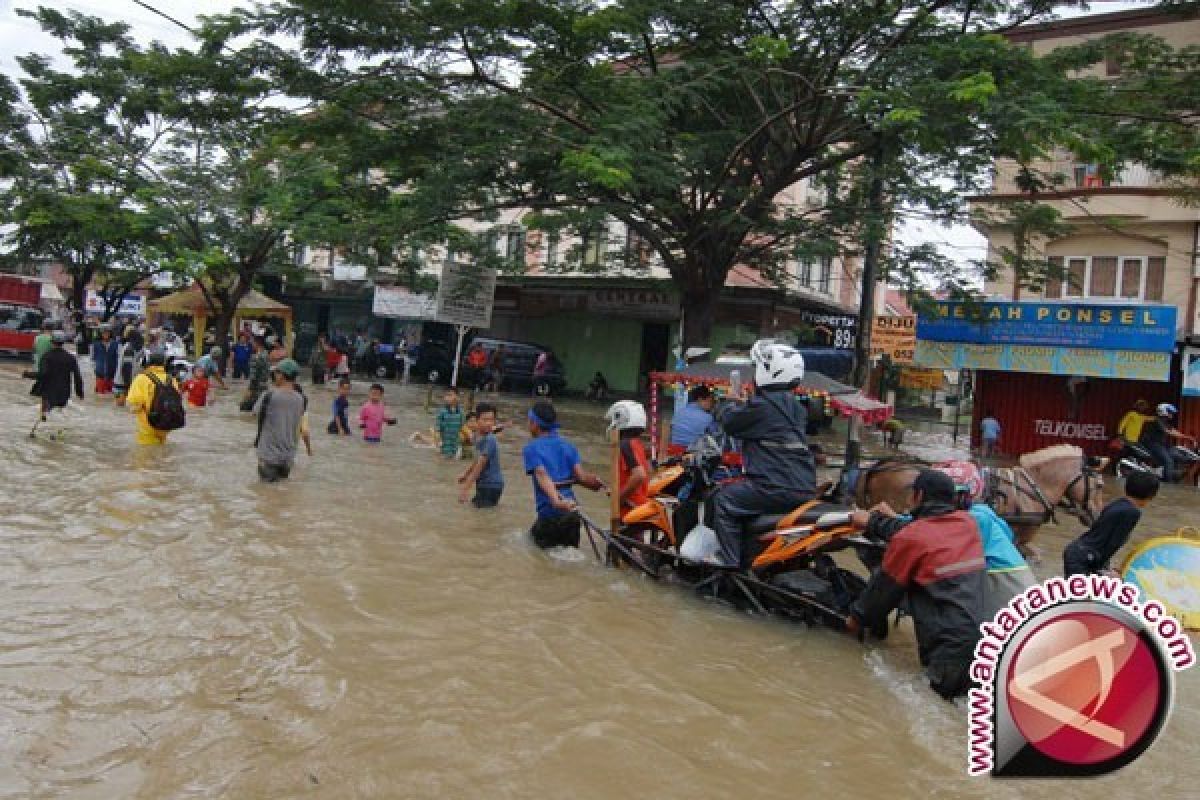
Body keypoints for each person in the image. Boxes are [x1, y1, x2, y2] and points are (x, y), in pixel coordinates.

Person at [847, 470, 986, 700]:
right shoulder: (968, 524)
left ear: (918, 496)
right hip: (982, 644)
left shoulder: (912, 538)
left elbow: (882, 592)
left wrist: (856, 619)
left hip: (946, 649)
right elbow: (918, 533)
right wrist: (875, 522)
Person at [710, 340, 817, 568]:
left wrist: (729, 401)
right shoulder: (796, 408)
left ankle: (729, 564)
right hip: (804, 488)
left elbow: (729, 423)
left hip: (773, 487)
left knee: (723, 500)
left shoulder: (762, 406)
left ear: (769, 371)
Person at [522, 401, 606, 548]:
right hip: (572, 514)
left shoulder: (532, 448)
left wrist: (556, 501)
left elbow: (542, 475)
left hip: (551, 514)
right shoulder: (568, 446)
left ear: (534, 423)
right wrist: (598, 484)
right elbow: (581, 477)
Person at [1063, 470, 1159, 576]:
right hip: (1085, 558)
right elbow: (1114, 543)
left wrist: (1103, 567)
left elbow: (1099, 521)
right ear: (1151, 495)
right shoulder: (1133, 512)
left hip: (1078, 552)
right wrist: (1107, 572)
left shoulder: (1119, 503)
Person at [253, 358, 312, 482]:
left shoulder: (269, 395)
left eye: (276, 373)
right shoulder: (301, 399)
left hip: (268, 455)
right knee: (281, 492)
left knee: (266, 496)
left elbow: (255, 413)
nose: (274, 376)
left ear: (281, 375)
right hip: (288, 457)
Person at [30, 331, 84, 436]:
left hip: (48, 392)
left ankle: (36, 433)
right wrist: (79, 392)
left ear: (52, 342)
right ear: (63, 342)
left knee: (45, 413)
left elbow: (43, 374)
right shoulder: (70, 358)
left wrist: (27, 374)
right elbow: (77, 377)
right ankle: (58, 433)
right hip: (64, 392)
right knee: (59, 412)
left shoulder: (47, 356)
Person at [608, 400, 652, 514]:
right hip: (639, 507)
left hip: (630, 509)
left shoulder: (625, 445)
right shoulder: (636, 443)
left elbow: (639, 475)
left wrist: (618, 499)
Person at [126, 345, 175, 446]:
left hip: (147, 424)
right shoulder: (171, 379)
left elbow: (135, 404)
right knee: (162, 454)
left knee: (146, 456)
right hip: (166, 424)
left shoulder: (142, 378)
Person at [458, 402, 504, 507]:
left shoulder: (490, 439)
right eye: (485, 420)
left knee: (479, 512)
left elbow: (480, 465)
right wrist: (466, 474)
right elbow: (477, 460)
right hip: (485, 484)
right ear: (477, 420)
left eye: (491, 420)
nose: (489, 423)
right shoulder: (477, 437)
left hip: (491, 485)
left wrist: (465, 488)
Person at [1139, 403, 1192, 482]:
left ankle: (1173, 474)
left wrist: (1187, 437)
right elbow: (1168, 432)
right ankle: (1168, 484)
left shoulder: (1164, 422)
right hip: (1152, 444)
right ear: (1163, 411)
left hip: (1160, 445)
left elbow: (1173, 430)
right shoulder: (1157, 420)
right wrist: (1186, 437)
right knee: (1168, 461)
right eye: (1170, 411)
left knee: (1175, 454)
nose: (1171, 414)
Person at [668, 385, 718, 456]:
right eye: (710, 401)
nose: (712, 404)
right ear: (700, 399)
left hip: (674, 451)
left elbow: (671, 429)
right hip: (693, 453)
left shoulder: (680, 412)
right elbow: (715, 435)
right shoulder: (707, 418)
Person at [242, 336, 271, 411]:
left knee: (246, 410)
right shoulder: (266, 354)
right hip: (264, 386)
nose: (251, 344)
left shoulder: (256, 357)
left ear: (257, 343)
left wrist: (248, 392)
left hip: (256, 389)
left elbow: (253, 377)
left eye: (252, 343)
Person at [436, 388, 465, 458]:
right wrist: (438, 441)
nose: (447, 398)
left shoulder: (461, 412)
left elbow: (463, 427)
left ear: (457, 397)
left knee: (454, 461)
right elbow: (437, 428)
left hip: (456, 443)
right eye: (446, 395)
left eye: (450, 395)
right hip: (444, 443)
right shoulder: (442, 412)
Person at [91, 326, 119, 395]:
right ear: (101, 334)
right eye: (104, 333)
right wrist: (95, 370)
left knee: (112, 396)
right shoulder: (95, 344)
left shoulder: (116, 344)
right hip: (100, 374)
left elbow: (119, 358)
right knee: (100, 396)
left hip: (112, 374)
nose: (106, 334)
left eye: (107, 333)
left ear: (110, 333)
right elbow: (92, 359)